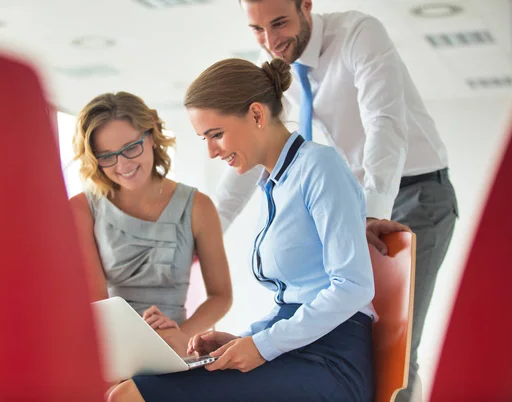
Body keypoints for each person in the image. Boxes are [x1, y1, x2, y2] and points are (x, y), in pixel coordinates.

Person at [216, 1, 459, 400]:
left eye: (279, 23)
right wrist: (203, 235)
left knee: (395, 347)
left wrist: (374, 211)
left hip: (415, 192)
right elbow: (250, 149)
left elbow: (384, 123)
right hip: (356, 198)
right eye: (257, 30)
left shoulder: (360, 34)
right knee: (348, 336)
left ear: (306, 6)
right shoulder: (276, 61)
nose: (271, 40)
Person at [109, 57, 377, 402]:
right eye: (204, 139)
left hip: (331, 362)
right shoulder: (274, 183)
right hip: (296, 351)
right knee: (131, 386)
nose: (211, 151)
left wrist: (262, 345)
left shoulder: (319, 167)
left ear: (256, 115)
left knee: (131, 395)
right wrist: (244, 338)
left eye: (216, 135)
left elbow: (353, 286)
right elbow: (292, 300)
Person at [69, 92, 232, 357]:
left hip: (178, 345)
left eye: (131, 148)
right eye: (106, 156)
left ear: (152, 135)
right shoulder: (82, 209)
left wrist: (180, 335)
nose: (123, 164)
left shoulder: (198, 207)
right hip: (114, 347)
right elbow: (97, 302)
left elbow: (221, 295)